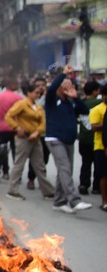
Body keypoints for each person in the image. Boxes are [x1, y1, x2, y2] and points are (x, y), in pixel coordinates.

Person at [44, 66, 92, 214]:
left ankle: (59, 202)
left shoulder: (71, 102)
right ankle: (75, 200)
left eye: (71, 86)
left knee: (65, 171)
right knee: (65, 168)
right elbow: (51, 89)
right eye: (66, 86)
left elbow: (84, 111)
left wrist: (76, 98)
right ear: (60, 87)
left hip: (69, 140)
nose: (70, 88)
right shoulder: (52, 100)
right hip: (55, 139)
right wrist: (63, 74)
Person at [4, 81, 55, 200]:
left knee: (40, 165)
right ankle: (12, 190)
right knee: (19, 164)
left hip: (35, 139)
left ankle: (48, 191)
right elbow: (8, 116)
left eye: (39, 93)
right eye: (36, 92)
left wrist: (37, 132)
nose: (38, 95)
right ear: (29, 93)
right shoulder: (22, 104)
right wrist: (17, 128)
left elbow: (43, 122)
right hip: (23, 139)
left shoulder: (38, 107)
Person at [0, 78, 23, 182]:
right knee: (16, 153)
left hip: (0, 128)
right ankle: (16, 176)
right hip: (15, 128)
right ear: (11, 85)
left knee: (0, 152)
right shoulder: (18, 98)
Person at [28, 76, 50, 190]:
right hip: (35, 133)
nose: (41, 88)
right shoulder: (32, 99)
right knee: (35, 158)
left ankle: (43, 181)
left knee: (45, 158)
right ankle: (31, 179)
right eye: (38, 86)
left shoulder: (49, 97)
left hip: (47, 133)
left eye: (43, 85)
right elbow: (37, 108)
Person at [78, 81, 100, 195]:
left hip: (83, 138)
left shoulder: (81, 103)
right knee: (98, 164)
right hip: (96, 139)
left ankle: (83, 184)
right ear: (95, 91)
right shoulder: (99, 102)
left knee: (85, 163)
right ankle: (97, 187)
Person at [87, 84, 107, 211]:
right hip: (101, 146)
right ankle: (105, 201)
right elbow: (93, 127)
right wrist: (104, 125)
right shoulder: (97, 109)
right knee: (104, 175)